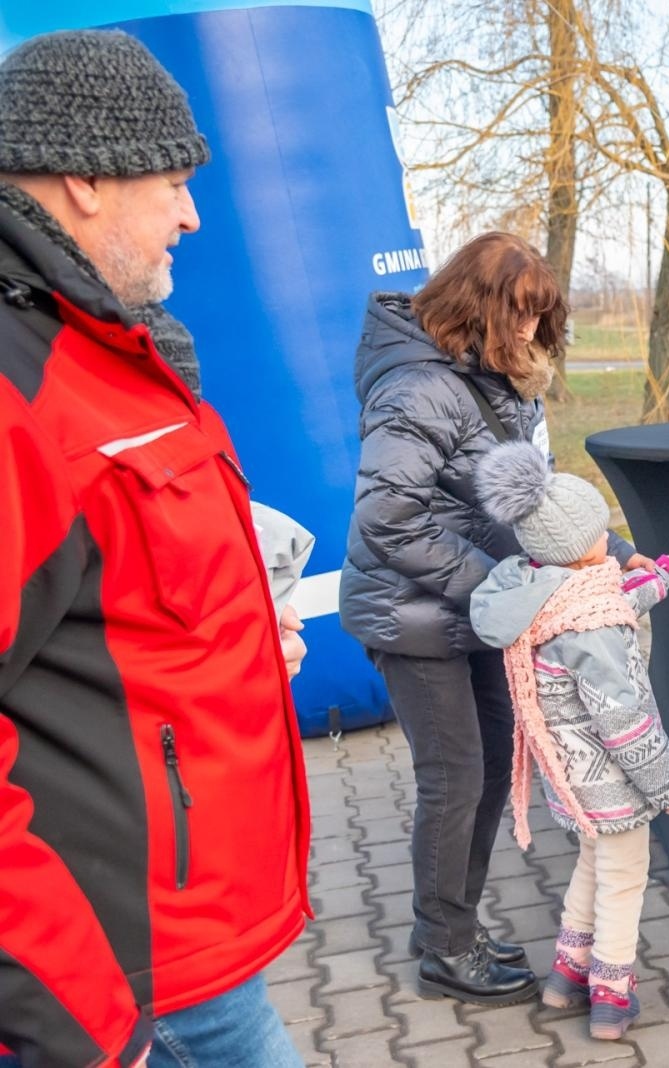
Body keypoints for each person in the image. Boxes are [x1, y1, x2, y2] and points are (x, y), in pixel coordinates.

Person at [0, 30, 310, 1068]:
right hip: (126, 987)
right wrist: (79, 1018)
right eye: (173, 182)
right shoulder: (18, 383)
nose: (191, 213)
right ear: (85, 177)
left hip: (188, 953)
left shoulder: (108, 341)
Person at [339, 232, 651, 1005]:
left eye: (539, 318)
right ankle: (446, 947)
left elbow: (523, 501)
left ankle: (447, 922)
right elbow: (390, 521)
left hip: (474, 610)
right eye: (517, 314)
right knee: (457, 776)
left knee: (489, 763)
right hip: (411, 614)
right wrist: (500, 587)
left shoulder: (492, 380)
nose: (527, 333)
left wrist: (608, 549)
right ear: (476, 306)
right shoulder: (417, 388)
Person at [469, 442, 669, 1039]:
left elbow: (611, 597)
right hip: (615, 783)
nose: (610, 543)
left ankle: (567, 974)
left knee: (593, 866)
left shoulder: (544, 595)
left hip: (568, 780)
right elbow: (626, 719)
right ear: (583, 546)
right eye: (603, 533)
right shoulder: (593, 628)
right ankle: (612, 995)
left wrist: (656, 580)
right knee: (624, 878)